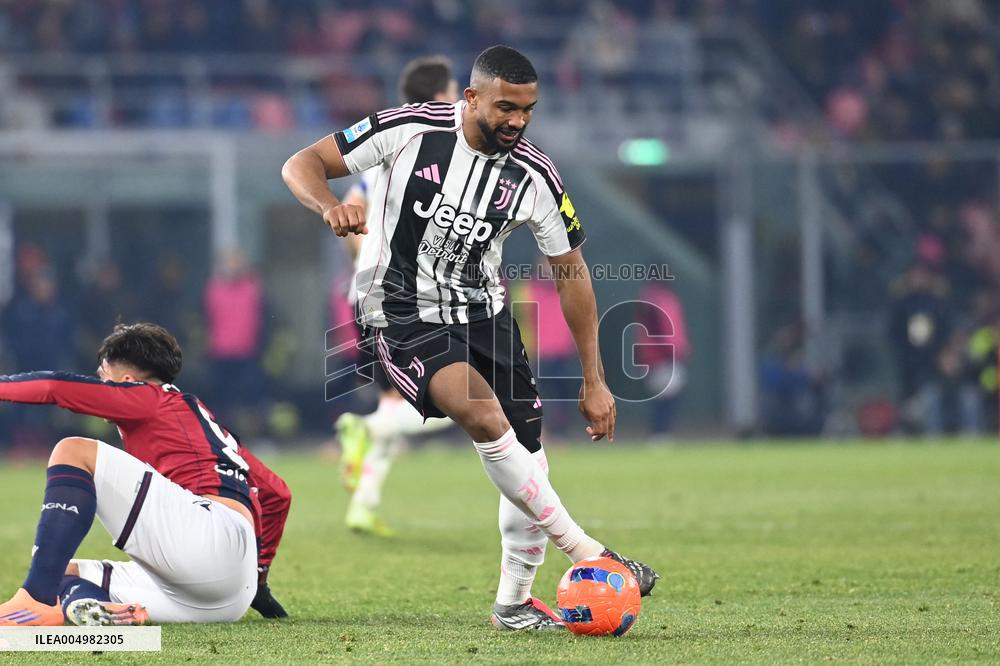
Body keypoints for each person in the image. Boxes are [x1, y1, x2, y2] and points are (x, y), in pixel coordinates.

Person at [283, 44, 657, 631]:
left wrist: (595, 378)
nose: (517, 121)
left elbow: (572, 273)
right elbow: (301, 162)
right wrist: (329, 204)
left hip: (486, 317)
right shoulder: (407, 129)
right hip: (400, 310)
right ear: (472, 96)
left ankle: (512, 605)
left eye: (528, 110)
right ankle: (590, 553)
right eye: (506, 107)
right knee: (483, 416)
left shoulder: (536, 175)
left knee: (530, 463)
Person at [0, 323, 291, 626]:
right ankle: (90, 608)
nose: (100, 381)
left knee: (72, 450)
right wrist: (257, 581)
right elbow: (278, 494)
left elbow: (54, 387)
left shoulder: (148, 398)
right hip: (227, 599)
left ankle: (33, 599)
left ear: (128, 381)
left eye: (103, 373)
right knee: (61, 571)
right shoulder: (203, 425)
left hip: (205, 541)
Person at [334, 55, 459, 537]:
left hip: (376, 289)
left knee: (396, 400)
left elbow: (353, 208)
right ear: (442, 95)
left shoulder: (390, 140)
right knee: (457, 400)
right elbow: (352, 208)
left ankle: (363, 503)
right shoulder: (425, 144)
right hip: (401, 293)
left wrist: (363, 263)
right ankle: (363, 429)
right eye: (456, 90)